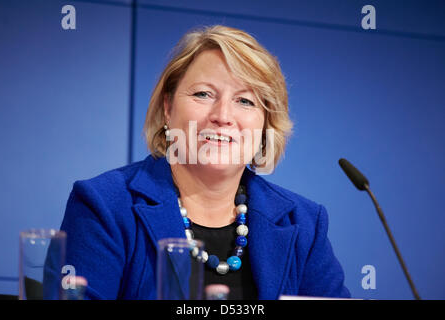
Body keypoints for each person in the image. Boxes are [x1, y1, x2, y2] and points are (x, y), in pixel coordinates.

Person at [60, 25, 350, 300]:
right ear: (167, 108)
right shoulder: (105, 205)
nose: (223, 115)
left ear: (266, 124)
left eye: (245, 101)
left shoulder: (304, 224)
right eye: (203, 94)